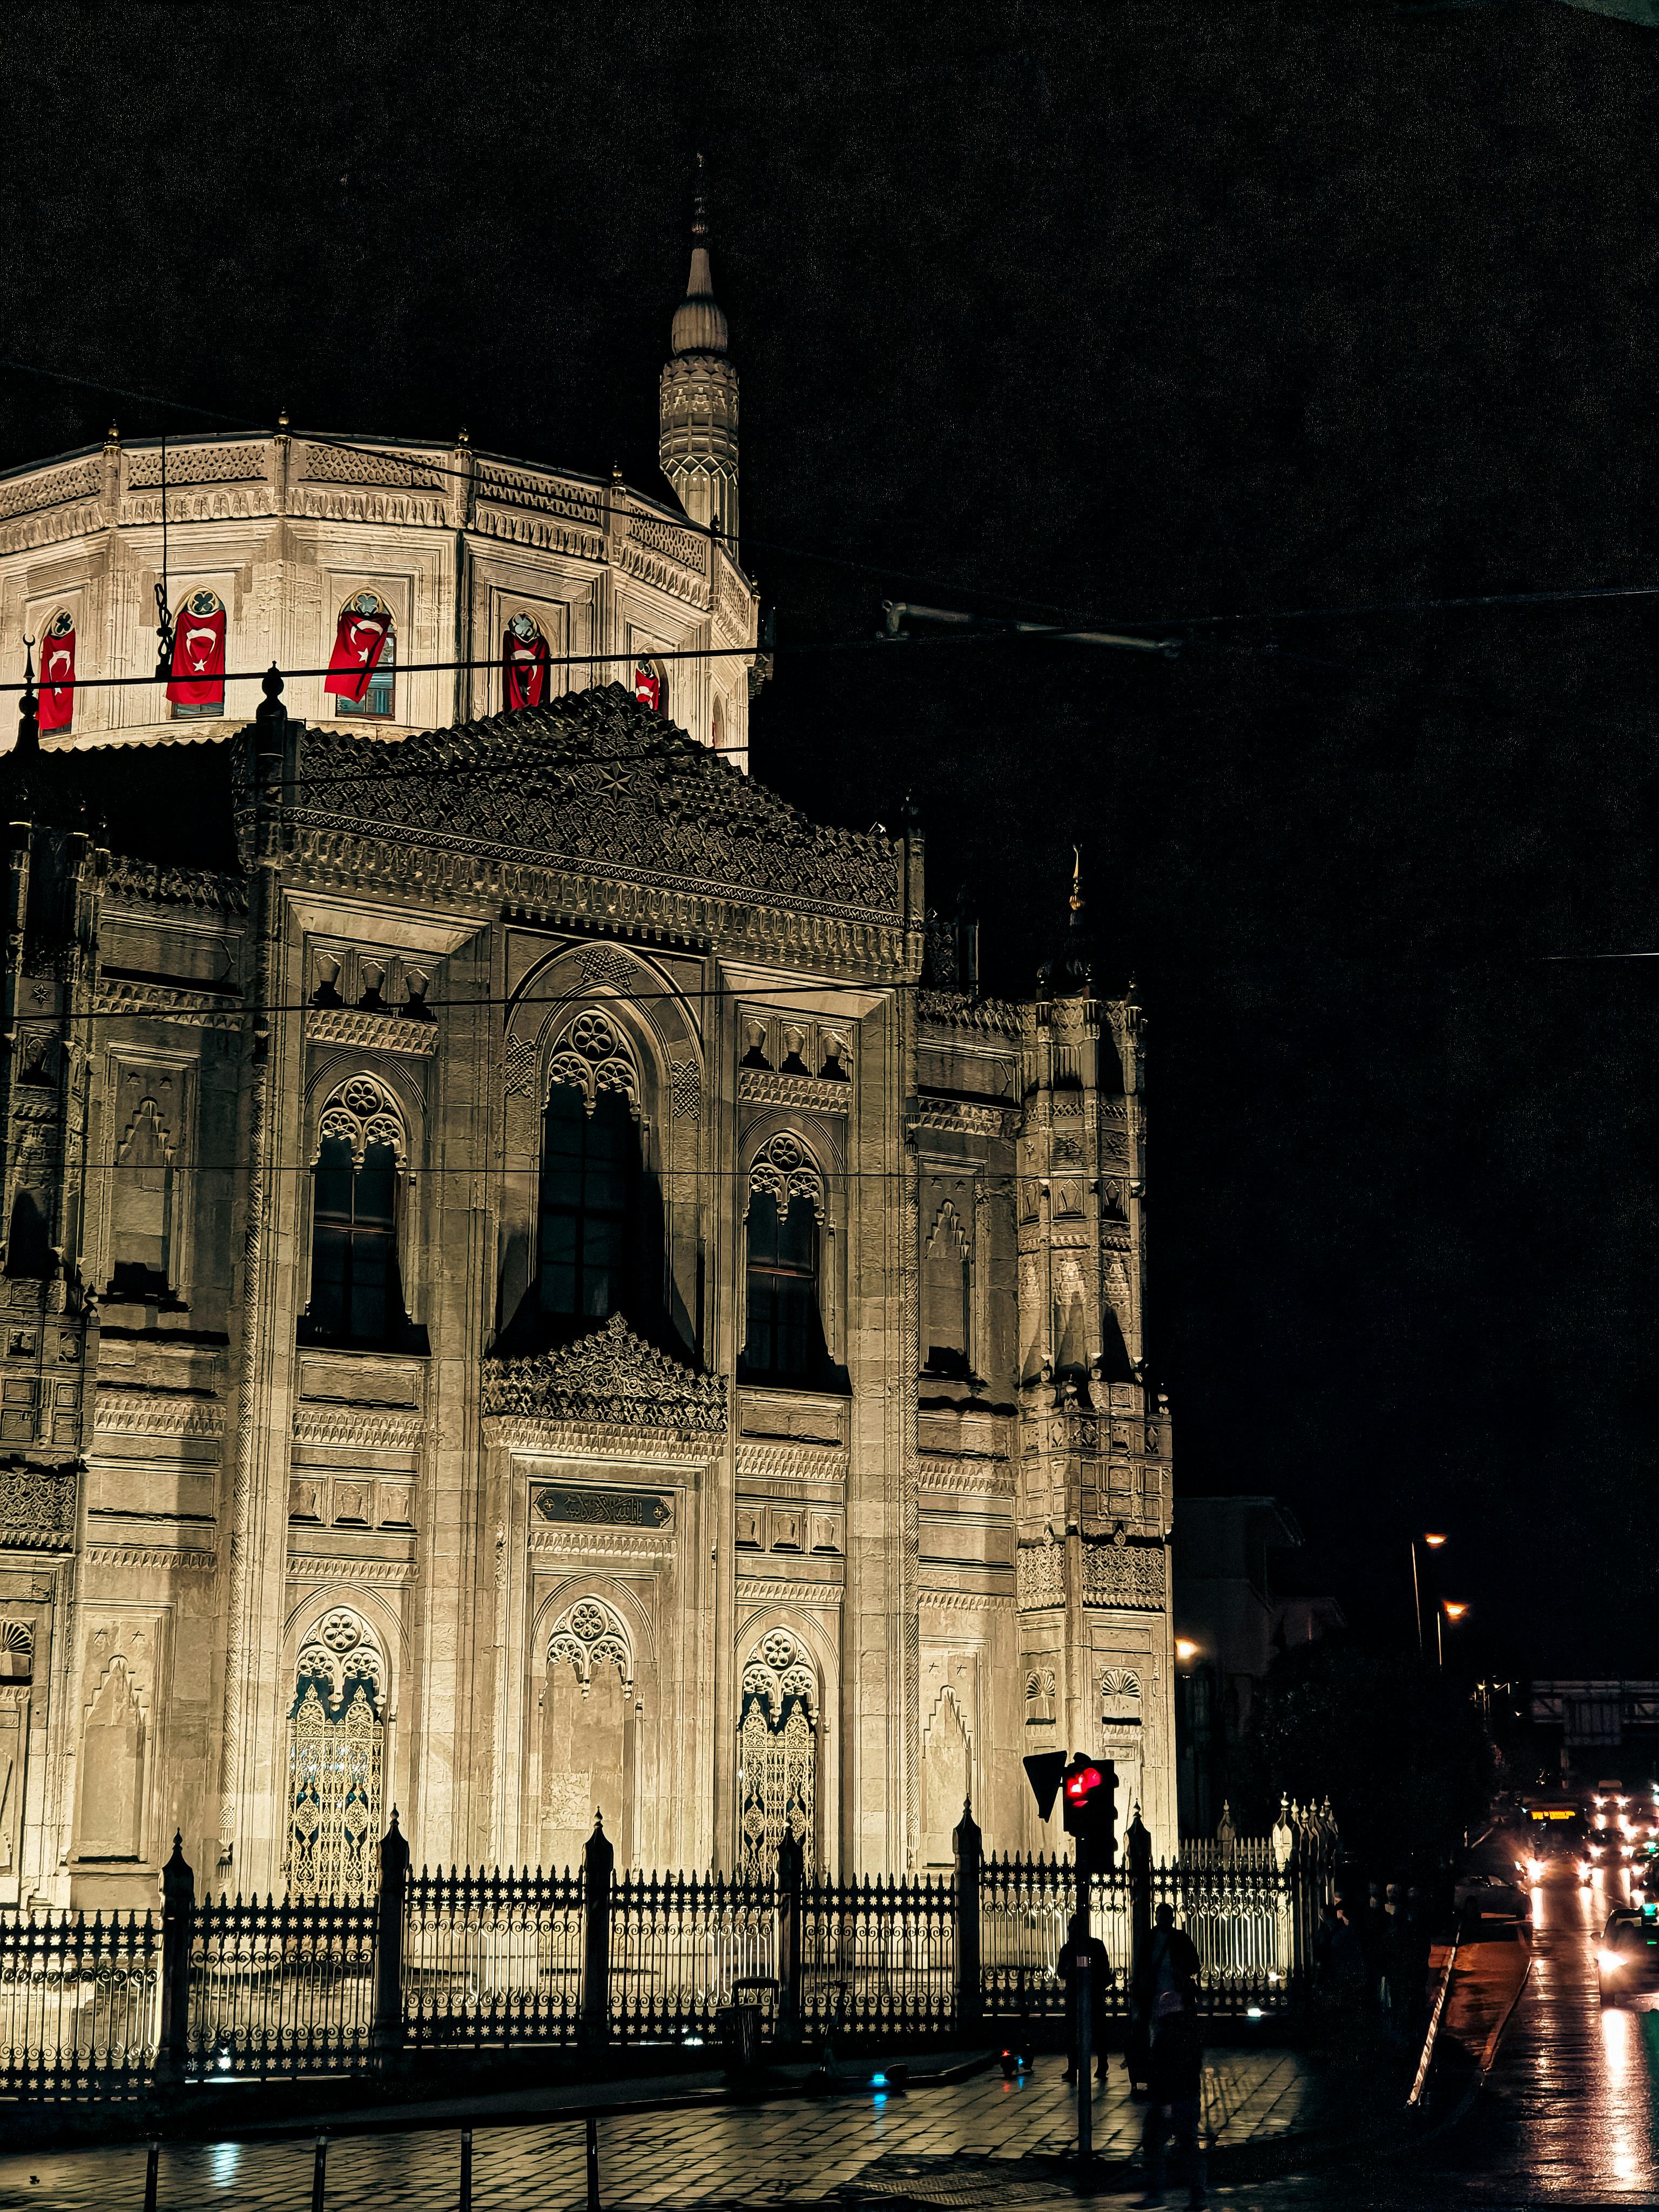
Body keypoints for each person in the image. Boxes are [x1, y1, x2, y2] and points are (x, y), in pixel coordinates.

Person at [1134, 1988, 1209, 2210]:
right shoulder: (1191, 2030)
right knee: (1189, 2146)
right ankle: (1198, 2196)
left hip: (1170, 2101)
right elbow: (1192, 2067)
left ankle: (1156, 2194)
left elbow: (1166, 2071)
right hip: (1189, 2098)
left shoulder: (1166, 2034)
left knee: (1153, 2142)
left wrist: (1166, 2103)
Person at [1130, 1901, 1201, 2096]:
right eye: (1162, 1916)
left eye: (1166, 1916)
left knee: (1168, 2031)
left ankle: (1167, 2070)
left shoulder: (1170, 1939)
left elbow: (1194, 1963)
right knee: (1159, 2031)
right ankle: (1162, 2070)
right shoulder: (1154, 1938)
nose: (1164, 1920)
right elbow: (1141, 1964)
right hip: (1157, 1992)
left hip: (1173, 1992)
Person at [1056, 1910, 1111, 2082]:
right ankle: (1074, 2066)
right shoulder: (1069, 1949)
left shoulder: (1093, 1946)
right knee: (1074, 2032)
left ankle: (1101, 2063)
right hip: (1077, 1995)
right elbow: (1060, 1971)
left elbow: (1102, 1969)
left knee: (1096, 2031)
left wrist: (1085, 1971)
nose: (1073, 1931)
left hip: (1091, 1994)